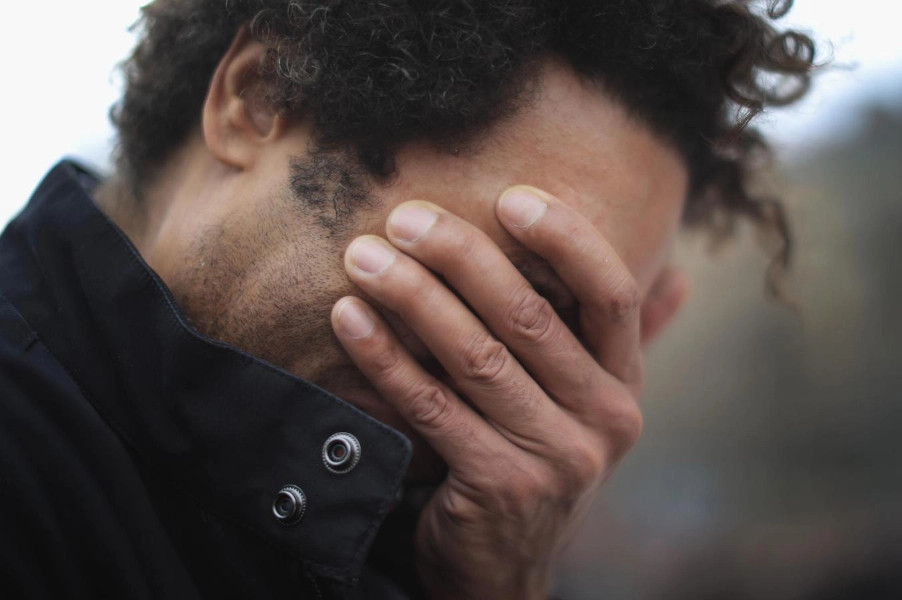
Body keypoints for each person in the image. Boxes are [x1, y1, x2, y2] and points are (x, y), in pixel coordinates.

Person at [0, 1, 816, 598]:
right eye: (496, 282)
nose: (508, 373)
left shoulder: (443, 546)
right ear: (259, 97)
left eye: (573, 334)